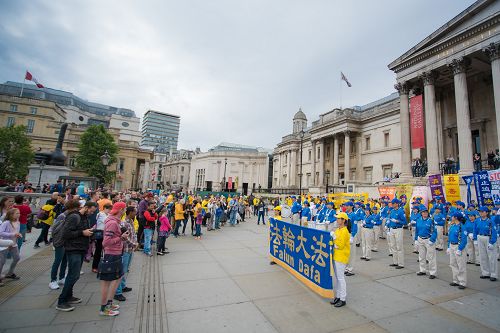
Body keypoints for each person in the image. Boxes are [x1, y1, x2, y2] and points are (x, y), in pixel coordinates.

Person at [56, 201, 97, 312]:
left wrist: (90, 232)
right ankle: (62, 301)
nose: (91, 213)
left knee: (75, 275)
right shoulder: (74, 217)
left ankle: (69, 296)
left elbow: (81, 231)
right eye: (91, 211)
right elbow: (65, 233)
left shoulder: (84, 217)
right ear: (86, 207)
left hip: (80, 248)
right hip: (73, 249)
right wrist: (82, 233)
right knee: (73, 275)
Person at [99, 202, 127, 316]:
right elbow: (106, 242)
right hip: (111, 254)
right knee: (107, 282)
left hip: (116, 253)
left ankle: (109, 303)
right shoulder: (112, 223)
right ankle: (103, 308)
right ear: (120, 210)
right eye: (124, 209)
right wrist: (120, 237)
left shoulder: (115, 222)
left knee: (117, 278)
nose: (125, 211)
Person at [115, 206, 138, 301]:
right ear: (130, 212)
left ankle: (123, 286)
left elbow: (133, 234)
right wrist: (134, 244)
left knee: (125, 269)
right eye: (134, 212)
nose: (135, 213)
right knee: (122, 271)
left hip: (130, 249)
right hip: (125, 249)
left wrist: (136, 243)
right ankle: (117, 292)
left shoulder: (131, 221)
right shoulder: (124, 223)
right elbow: (125, 238)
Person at [330, 212, 350, 308]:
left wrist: (334, 239)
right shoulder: (338, 229)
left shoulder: (344, 231)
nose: (337, 220)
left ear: (343, 220)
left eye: (339, 218)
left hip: (341, 257)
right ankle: (338, 296)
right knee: (338, 278)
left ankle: (343, 299)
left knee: (341, 278)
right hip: (336, 256)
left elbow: (340, 245)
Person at [474, 206, 498, 281]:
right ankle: (485, 272)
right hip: (480, 237)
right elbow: (475, 230)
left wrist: (492, 242)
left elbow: (494, 232)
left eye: (482, 211)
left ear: (487, 213)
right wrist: (475, 239)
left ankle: (493, 274)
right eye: (480, 211)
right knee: (482, 256)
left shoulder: (490, 221)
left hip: (488, 238)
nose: (480, 213)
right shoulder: (477, 220)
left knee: (491, 257)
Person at [0, 208, 22, 283]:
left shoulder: (18, 222)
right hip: (5, 244)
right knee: (2, 261)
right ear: (11, 215)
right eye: (17, 213)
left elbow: (16, 232)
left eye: (19, 213)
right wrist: (13, 234)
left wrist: (18, 235)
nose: (19, 214)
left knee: (17, 258)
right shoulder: (6, 223)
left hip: (13, 243)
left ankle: (10, 273)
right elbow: (1, 233)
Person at [415, 205, 438, 279]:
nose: (425, 213)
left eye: (426, 212)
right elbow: (416, 230)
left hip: (428, 239)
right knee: (421, 256)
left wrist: (432, 239)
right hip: (420, 239)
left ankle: (433, 272)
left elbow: (434, 231)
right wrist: (416, 239)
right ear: (421, 213)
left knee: (431, 257)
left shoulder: (431, 221)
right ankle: (422, 270)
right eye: (423, 212)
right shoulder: (418, 220)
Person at [448, 212, 468, 289]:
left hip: (458, 247)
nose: (451, 217)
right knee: (453, 263)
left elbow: (464, 239)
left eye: (452, 216)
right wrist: (449, 247)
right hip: (452, 245)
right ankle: (455, 280)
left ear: (455, 217)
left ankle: (462, 282)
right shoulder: (453, 226)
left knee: (461, 265)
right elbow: (450, 237)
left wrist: (459, 249)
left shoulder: (462, 227)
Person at [92, 203, 112, 273]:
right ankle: (95, 266)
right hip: (100, 234)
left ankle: (104, 266)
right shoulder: (100, 214)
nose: (110, 211)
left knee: (106, 251)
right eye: (109, 210)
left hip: (106, 234)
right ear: (105, 208)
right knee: (98, 251)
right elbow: (106, 221)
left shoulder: (108, 215)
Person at [388, 198, 407, 269]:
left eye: (393, 203)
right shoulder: (392, 211)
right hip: (392, 229)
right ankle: (395, 262)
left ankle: (401, 263)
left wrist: (397, 221)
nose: (392, 205)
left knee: (399, 246)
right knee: (393, 246)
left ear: (396, 204)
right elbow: (390, 220)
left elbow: (404, 222)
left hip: (398, 229)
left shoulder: (400, 211)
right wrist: (389, 228)